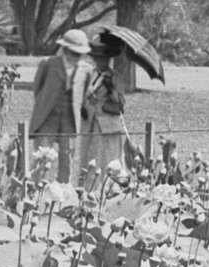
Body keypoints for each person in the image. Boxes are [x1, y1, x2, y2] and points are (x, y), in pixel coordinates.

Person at [29, 29, 90, 180]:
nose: (76, 57)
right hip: (47, 119)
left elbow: (85, 93)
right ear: (64, 50)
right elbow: (37, 88)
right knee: (42, 157)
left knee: (67, 161)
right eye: (73, 53)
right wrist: (47, 103)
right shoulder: (48, 63)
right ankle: (35, 190)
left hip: (69, 121)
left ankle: (63, 194)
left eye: (79, 54)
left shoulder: (86, 70)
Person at [74, 30, 132, 177]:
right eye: (99, 59)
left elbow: (120, 105)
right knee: (88, 158)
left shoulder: (115, 77)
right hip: (89, 124)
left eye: (105, 59)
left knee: (107, 159)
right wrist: (85, 103)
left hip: (107, 126)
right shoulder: (89, 75)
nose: (103, 62)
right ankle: (86, 189)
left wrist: (110, 91)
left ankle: (107, 189)